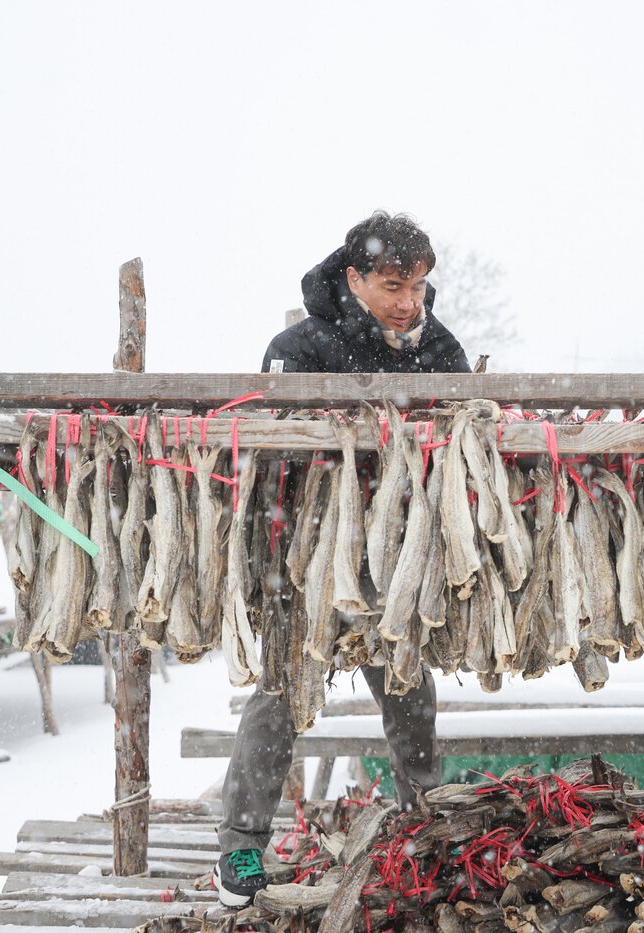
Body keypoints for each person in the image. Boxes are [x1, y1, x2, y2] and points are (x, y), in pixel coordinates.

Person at [212, 212, 470, 908]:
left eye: (417, 286)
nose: (409, 302)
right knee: (280, 694)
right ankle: (239, 845)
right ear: (354, 278)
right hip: (304, 553)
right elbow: (265, 449)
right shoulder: (298, 348)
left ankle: (424, 820)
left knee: (409, 691)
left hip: (397, 556)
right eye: (393, 286)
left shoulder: (439, 350)